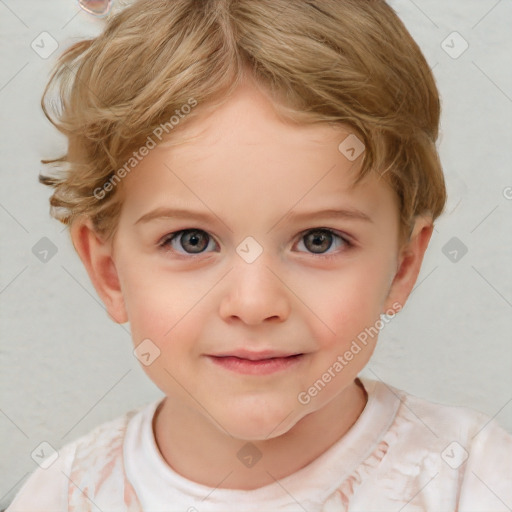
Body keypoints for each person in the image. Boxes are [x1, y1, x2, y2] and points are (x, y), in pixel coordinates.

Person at [8, 0, 512, 510]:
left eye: (319, 240)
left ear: (402, 266)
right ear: (109, 271)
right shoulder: (65, 495)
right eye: (192, 240)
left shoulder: (473, 481)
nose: (253, 304)